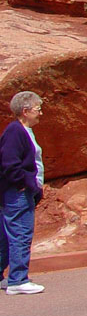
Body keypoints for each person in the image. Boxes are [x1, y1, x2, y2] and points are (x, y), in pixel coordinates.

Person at [0, 91, 45, 295]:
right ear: (25, 111)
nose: (40, 113)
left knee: (6, 235)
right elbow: (9, 164)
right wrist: (26, 184)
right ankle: (18, 280)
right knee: (20, 233)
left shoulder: (24, 131)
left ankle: (5, 277)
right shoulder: (15, 131)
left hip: (19, 191)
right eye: (37, 109)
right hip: (16, 193)